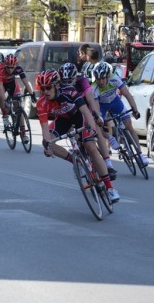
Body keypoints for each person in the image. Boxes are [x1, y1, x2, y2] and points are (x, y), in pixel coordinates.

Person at [36, 69, 120, 203]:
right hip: (63, 120)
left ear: (57, 85)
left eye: (48, 88)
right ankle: (77, 162)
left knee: (90, 147)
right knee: (47, 142)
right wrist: (47, 146)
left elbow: (86, 112)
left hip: (79, 117)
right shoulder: (41, 103)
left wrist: (92, 129)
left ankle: (110, 189)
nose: (45, 91)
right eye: (42, 88)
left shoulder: (70, 92)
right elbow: (45, 129)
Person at [58, 62, 117, 180]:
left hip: (86, 107)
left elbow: (91, 101)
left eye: (70, 80)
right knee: (74, 135)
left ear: (76, 77)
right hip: (71, 111)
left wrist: (97, 117)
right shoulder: (58, 85)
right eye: (65, 81)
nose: (68, 84)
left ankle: (108, 164)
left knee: (96, 128)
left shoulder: (82, 81)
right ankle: (79, 159)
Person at [91, 61, 148, 166]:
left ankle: (140, 155)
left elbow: (128, 95)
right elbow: (96, 107)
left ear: (107, 76)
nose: (102, 82)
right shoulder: (94, 87)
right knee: (97, 126)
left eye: (103, 78)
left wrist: (135, 110)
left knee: (129, 126)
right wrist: (99, 118)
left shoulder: (114, 79)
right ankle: (110, 137)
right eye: (99, 79)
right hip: (102, 105)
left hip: (115, 102)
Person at [0, 53, 35, 143]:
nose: (10, 69)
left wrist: (32, 94)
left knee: (18, 106)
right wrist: (4, 100)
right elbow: (0, 87)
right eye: (8, 67)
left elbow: (26, 82)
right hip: (1, 84)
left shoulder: (18, 68)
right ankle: (5, 115)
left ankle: (23, 133)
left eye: (12, 67)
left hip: (12, 83)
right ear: (5, 65)